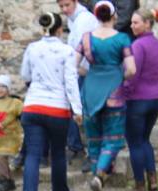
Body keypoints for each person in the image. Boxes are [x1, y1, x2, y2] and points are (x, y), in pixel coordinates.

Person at [19, 12, 82, 191]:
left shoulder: (32, 48)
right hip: (57, 108)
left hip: (33, 105)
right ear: (60, 30)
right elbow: (71, 81)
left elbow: (25, 74)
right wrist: (77, 109)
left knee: (33, 153)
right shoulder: (67, 51)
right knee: (58, 153)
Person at [78, 0, 136, 191]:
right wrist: (118, 75)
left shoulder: (86, 38)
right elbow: (131, 69)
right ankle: (100, 176)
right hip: (114, 90)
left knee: (93, 140)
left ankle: (97, 179)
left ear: (95, 16)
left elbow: (74, 64)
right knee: (113, 139)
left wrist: (90, 73)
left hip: (91, 89)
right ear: (114, 16)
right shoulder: (122, 39)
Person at [123, 7, 158, 191]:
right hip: (156, 97)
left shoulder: (138, 46)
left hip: (138, 99)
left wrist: (123, 92)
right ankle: (153, 181)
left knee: (134, 141)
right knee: (145, 140)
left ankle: (140, 184)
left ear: (147, 23)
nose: (132, 26)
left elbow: (133, 73)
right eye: (132, 22)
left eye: (136, 22)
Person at [57, 0, 98, 164]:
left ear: (75, 2)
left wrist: (79, 69)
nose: (64, 9)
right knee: (73, 109)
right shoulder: (73, 19)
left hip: (85, 72)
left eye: (67, 5)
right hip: (76, 71)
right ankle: (75, 145)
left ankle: (88, 151)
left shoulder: (84, 19)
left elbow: (81, 48)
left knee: (83, 111)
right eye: (61, 7)